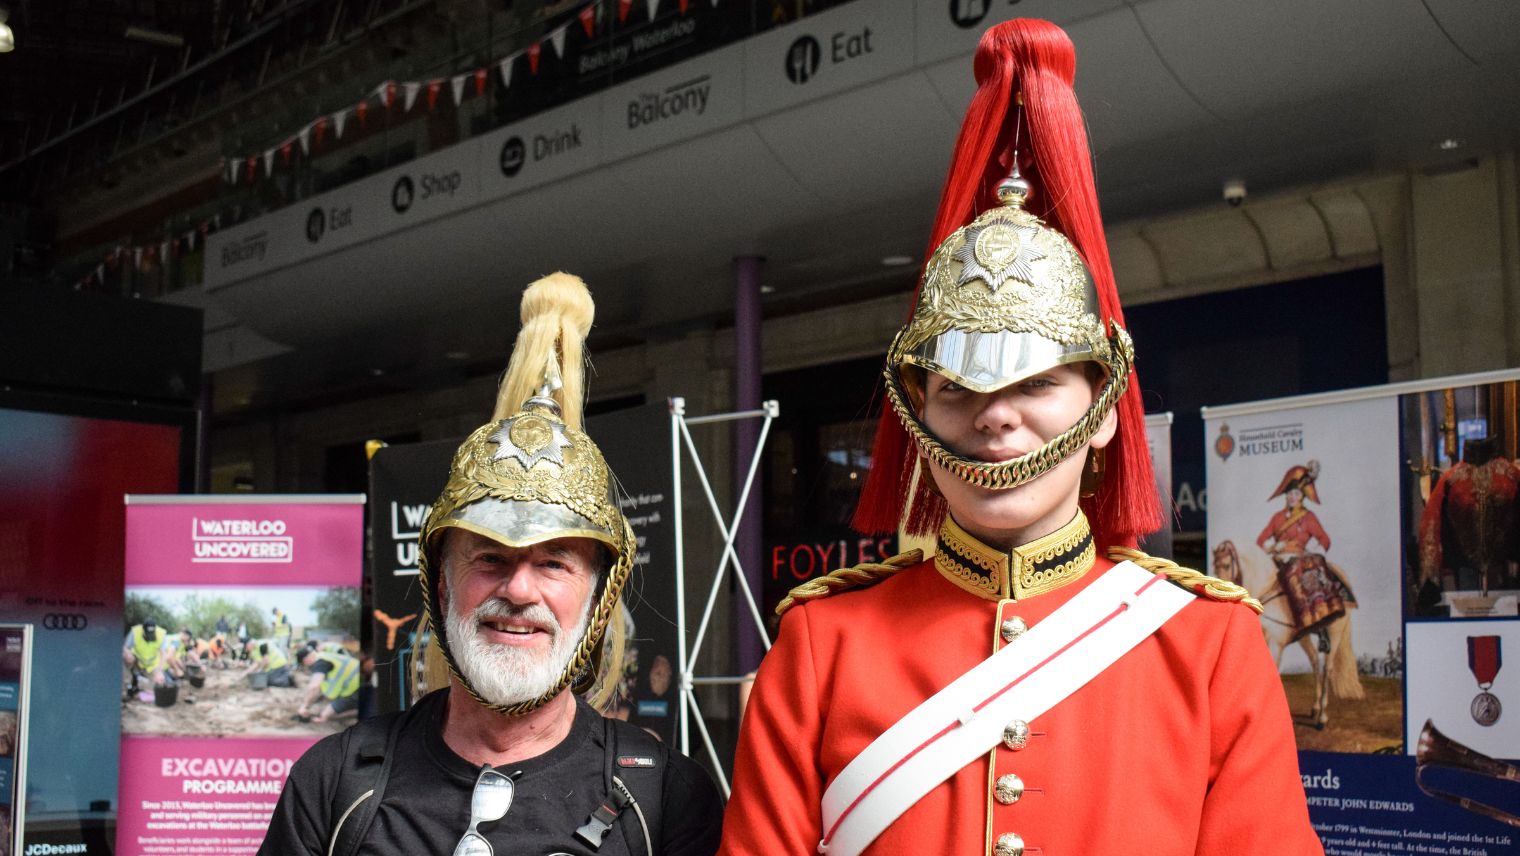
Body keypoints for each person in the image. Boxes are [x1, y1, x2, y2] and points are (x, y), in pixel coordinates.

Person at [719, 20, 1320, 856]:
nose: (994, 416)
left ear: (1104, 410)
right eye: (958, 387)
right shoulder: (822, 644)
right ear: (916, 412)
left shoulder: (1208, 644)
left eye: (1036, 383)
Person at [262, 274, 722, 855]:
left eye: (553, 563)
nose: (519, 589)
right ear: (441, 583)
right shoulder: (334, 784)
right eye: (490, 558)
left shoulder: (666, 800)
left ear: (598, 598)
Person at [1258, 460, 1354, 641]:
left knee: (1305, 573)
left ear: (1302, 497)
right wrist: (1273, 547)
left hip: (1299, 559)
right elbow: (1261, 540)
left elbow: (1324, 539)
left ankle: (1319, 624)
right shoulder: (1277, 518)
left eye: (1296, 493)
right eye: (1290, 494)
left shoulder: (1308, 517)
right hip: (1278, 559)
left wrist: (1313, 551)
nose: (1292, 497)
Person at [295, 647, 361, 724]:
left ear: (305, 660)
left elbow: (314, 687)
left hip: (356, 689)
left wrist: (304, 706)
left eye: (304, 665)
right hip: (359, 681)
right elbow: (322, 688)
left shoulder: (320, 663)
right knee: (328, 707)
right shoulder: (324, 656)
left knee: (325, 715)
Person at [122, 617, 176, 696]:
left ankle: (139, 685)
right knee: (126, 658)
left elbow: (163, 654)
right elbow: (125, 647)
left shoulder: (161, 633)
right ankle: (127, 686)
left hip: (151, 665)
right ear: (143, 629)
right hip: (137, 661)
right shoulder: (135, 631)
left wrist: (159, 671)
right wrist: (128, 653)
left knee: (158, 685)